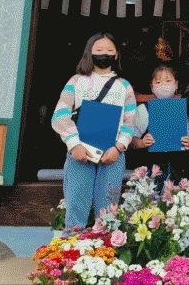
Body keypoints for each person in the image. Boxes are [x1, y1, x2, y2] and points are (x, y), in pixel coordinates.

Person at [51, 33, 136, 229]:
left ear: (116, 54)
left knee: (108, 208)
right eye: (99, 50)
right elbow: (60, 115)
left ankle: (104, 243)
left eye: (109, 50)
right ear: (89, 53)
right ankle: (73, 242)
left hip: (113, 153)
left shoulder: (124, 86)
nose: (104, 54)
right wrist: (74, 145)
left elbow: (130, 121)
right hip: (80, 151)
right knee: (76, 202)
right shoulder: (76, 81)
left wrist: (118, 147)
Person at [131, 65, 189, 185]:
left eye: (168, 81)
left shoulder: (184, 109)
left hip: (179, 167)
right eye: (158, 82)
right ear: (152, 87)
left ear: (176, 84)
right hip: (152, 168)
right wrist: (141, 143)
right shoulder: (144, 110)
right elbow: (132, 140)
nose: (163, 85)